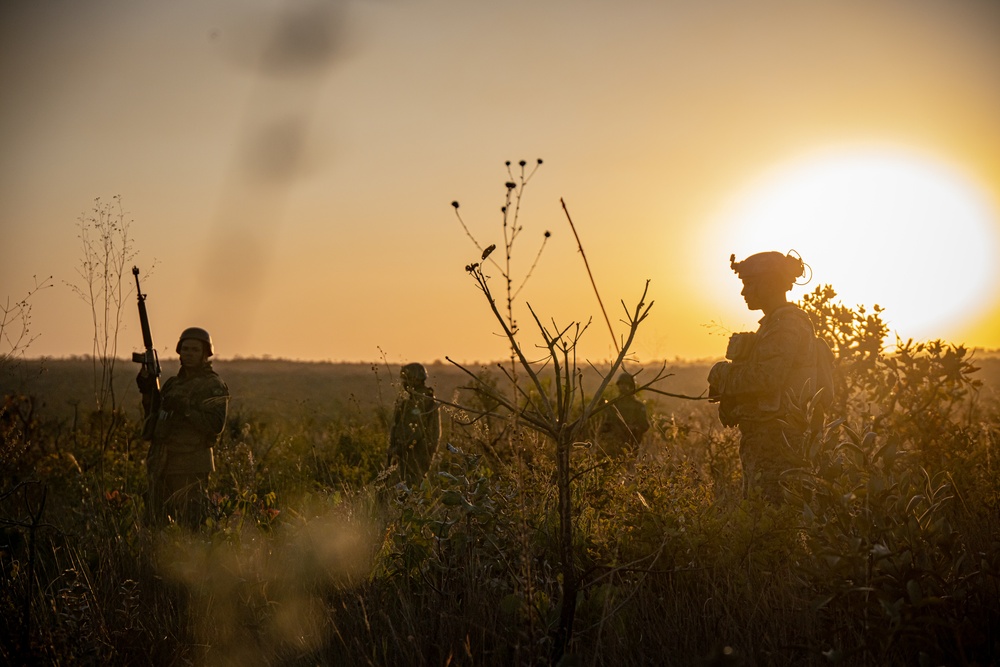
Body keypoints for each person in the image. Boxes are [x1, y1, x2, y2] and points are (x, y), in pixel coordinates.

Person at [707, 251, 822, 502]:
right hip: (768, 441)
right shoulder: (775, 323)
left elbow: (766, 378)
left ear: (769, 282)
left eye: (749, 283)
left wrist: (721, 374)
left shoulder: (786, 325)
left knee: (772, 526)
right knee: (762, 525)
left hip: (778, 445)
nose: (743, 292)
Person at [138, 327, 229, 528]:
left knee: (192, 525)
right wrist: (147, 391)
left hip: (191, 465)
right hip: (162, 463)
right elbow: (154, 418)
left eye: (195, 350)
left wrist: (186, 409)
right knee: (155, 523)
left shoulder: (212, 384)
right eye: (185, 349)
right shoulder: (172, 384)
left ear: (205, 353)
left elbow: (215, 425)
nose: (188, 354)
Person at [387, 363, 440, 486]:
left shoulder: (420, 400)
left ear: (414, 380)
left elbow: (415, 431)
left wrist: (399, 448)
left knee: (409, 488)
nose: (404, 384)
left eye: (406, 380)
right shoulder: (423, 398)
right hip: (417, 452)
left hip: (417, 453)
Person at [598, 372, 650, 460]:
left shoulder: (638, 405)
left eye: (625, 384)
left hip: (632, 445)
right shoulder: (613, 404)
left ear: (631, 386)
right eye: (621, 384)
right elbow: (606, 425)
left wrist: (633, 429)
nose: (623, 387)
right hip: (614, 444)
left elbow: (645, 425)